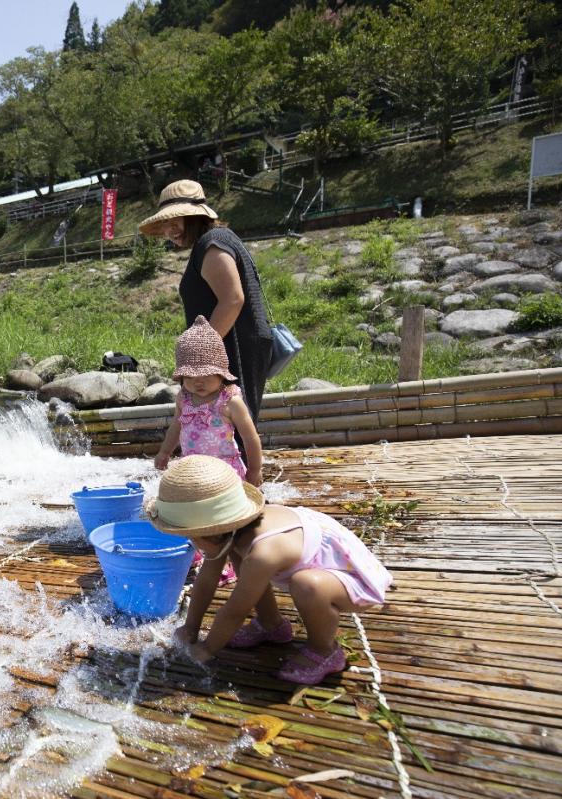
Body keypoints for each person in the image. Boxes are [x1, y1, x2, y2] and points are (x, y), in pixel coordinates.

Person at [147, 456, 392, 685]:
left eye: (189, 537)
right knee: (242, 559)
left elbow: (235, 611)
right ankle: (271, 624)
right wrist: (190, 627)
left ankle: (325, 651)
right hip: (324, 569)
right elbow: (206, 580)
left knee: (307, 585)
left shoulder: (264, 552)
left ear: (209, 532)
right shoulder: (230, 534)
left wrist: (207, 648)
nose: (191, 544)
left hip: (352, 580)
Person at [138, 180, 273, 423]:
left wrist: (201, 354)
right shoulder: (214, 241)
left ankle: (236, 462)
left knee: (230, 424)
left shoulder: (212, 243)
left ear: (195, 217)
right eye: (165, 225)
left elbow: (232, 300)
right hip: (232, 343)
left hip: (233, 346)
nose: (170, 231)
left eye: (175, 221)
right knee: (226, 424)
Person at [153, 315, 262, 486]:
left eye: (206, 375)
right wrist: (165, 452)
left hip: (225, 471)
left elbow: (250, 438)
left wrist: (255, 469)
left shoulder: (229, 401)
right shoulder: (184, 398)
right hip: (193, 471)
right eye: (189, 376)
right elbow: (176, 426)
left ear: (221, 374)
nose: (198, 381)